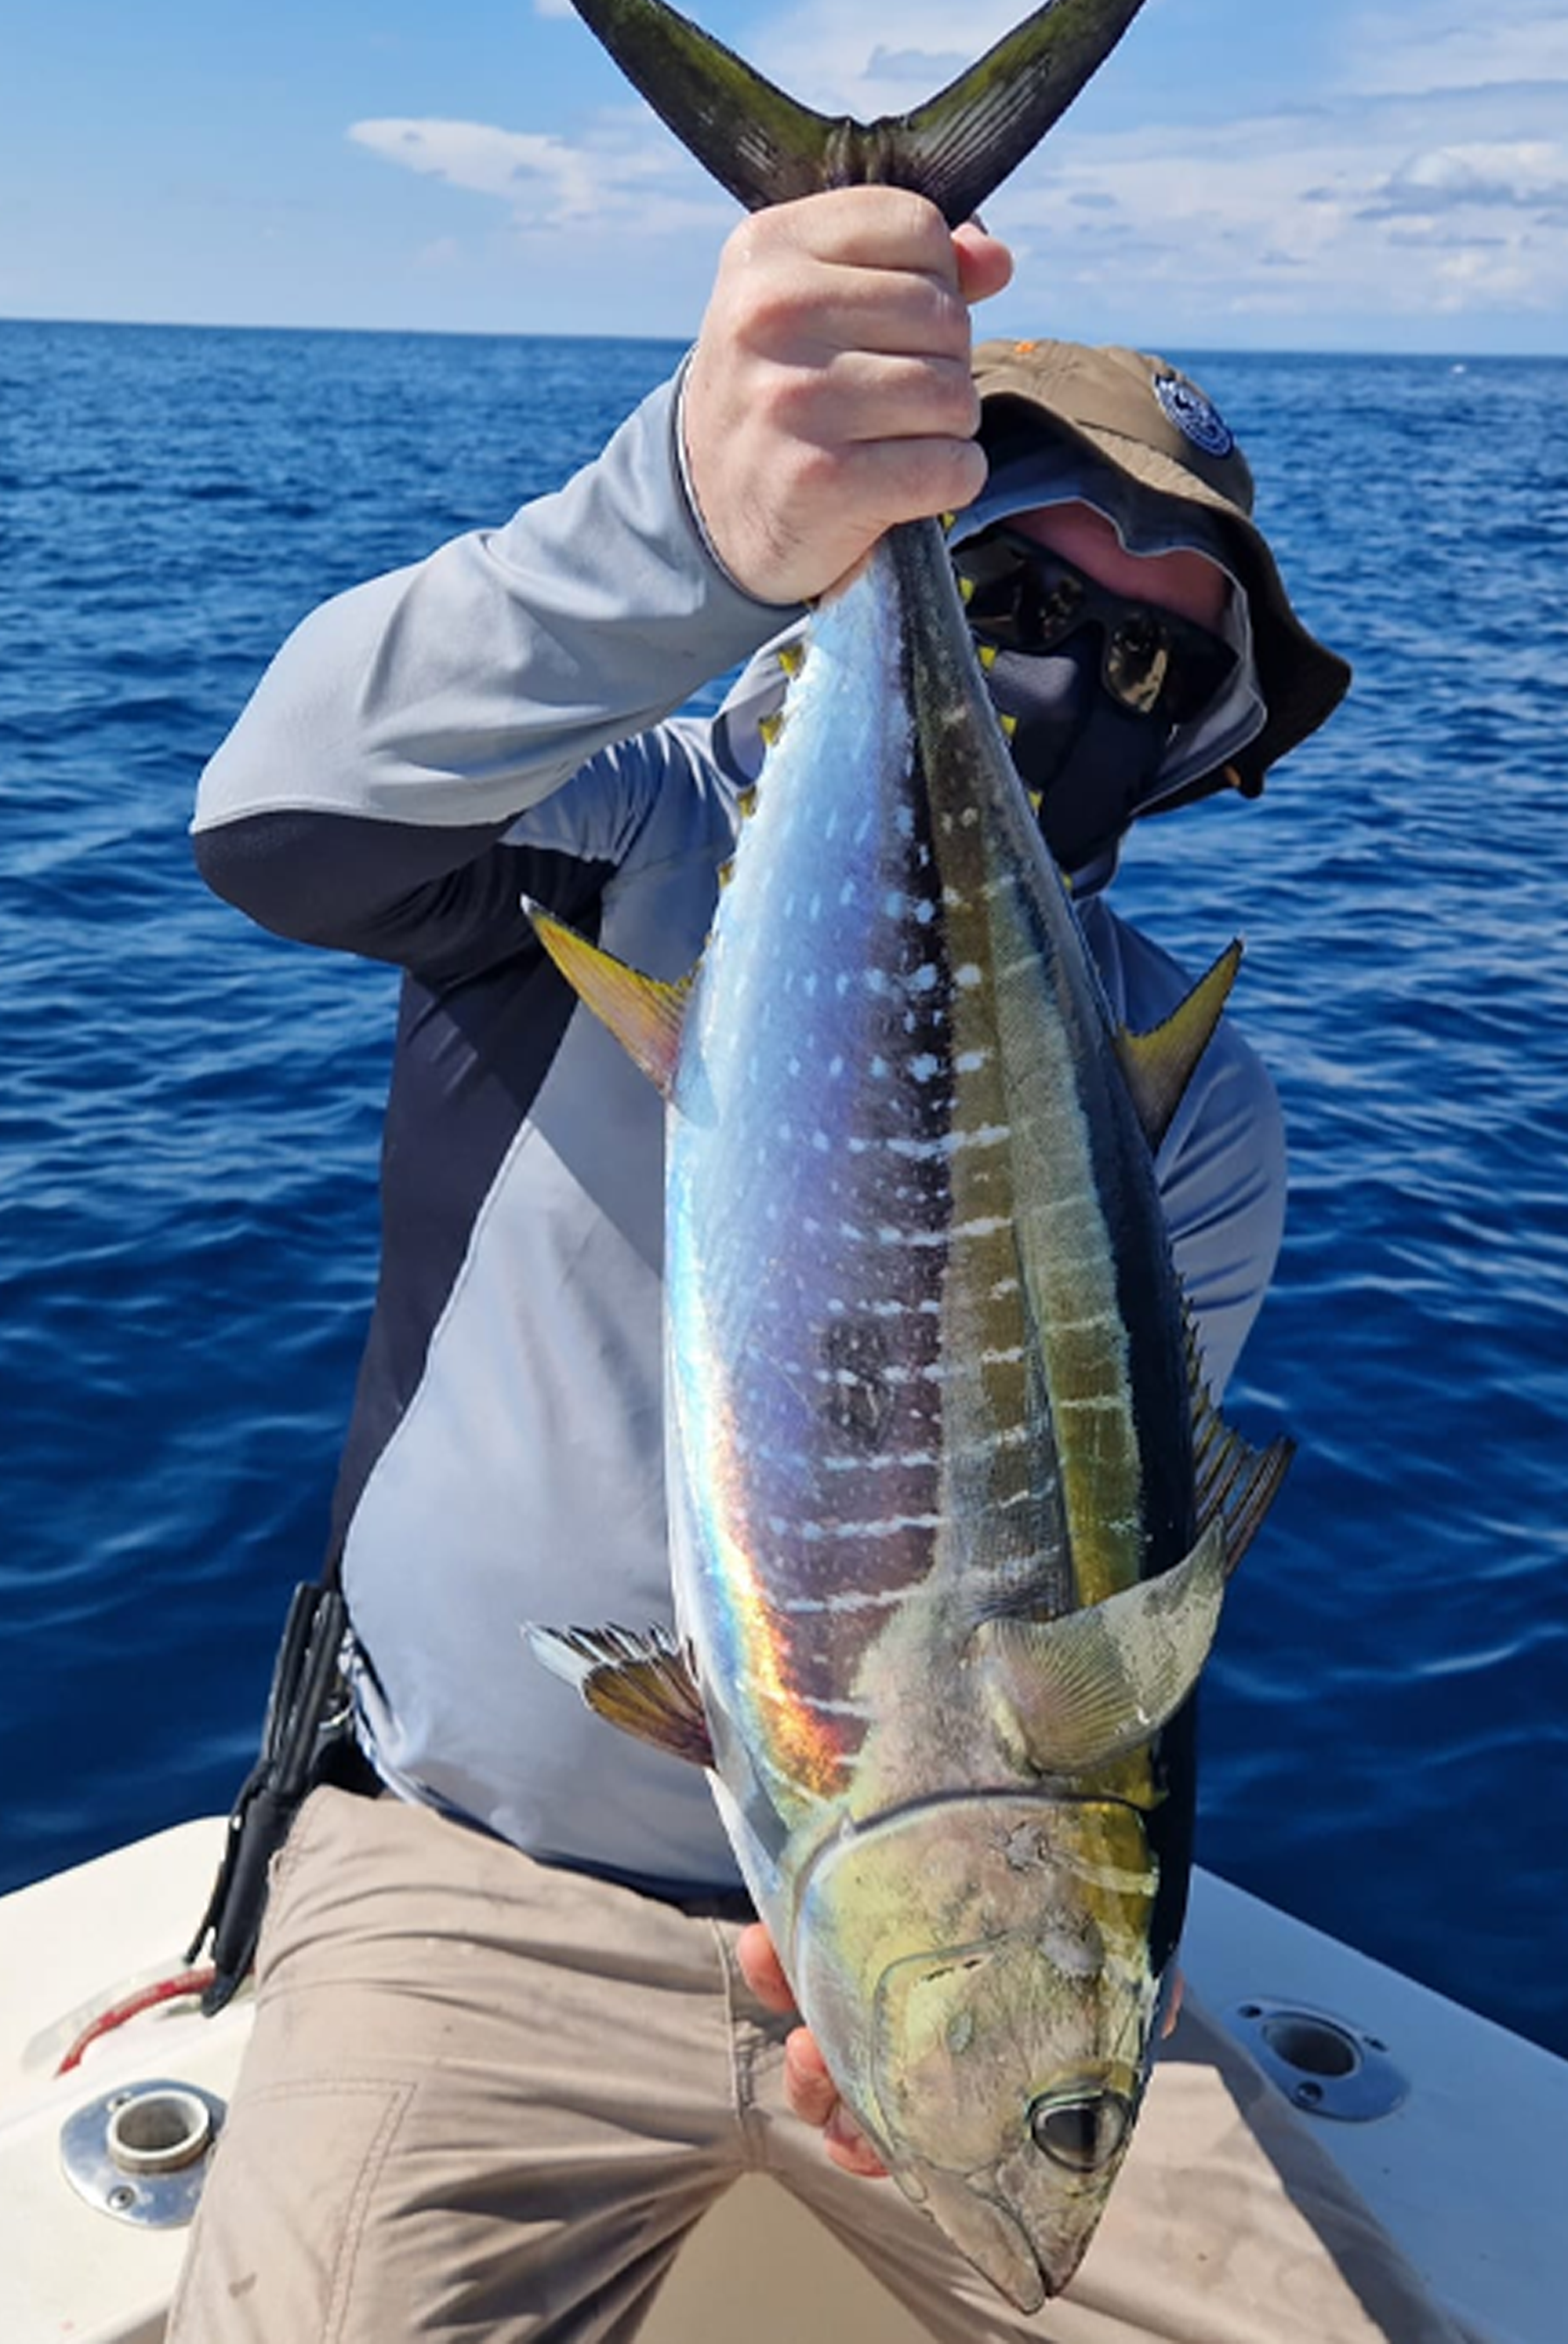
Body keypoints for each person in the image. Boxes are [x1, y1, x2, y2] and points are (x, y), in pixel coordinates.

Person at [169, 191, 1467, 2344]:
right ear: (907, 548)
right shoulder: (620, 829)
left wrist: (978, 1981)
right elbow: (277, 820)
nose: (1082, 679)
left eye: (1151, 660)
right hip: (469, 1896)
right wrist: (691, 515)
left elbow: (1069, 1561)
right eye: (1024, 596)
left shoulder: (1195, 1104)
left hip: (904, 1919)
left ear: (1199, 733)